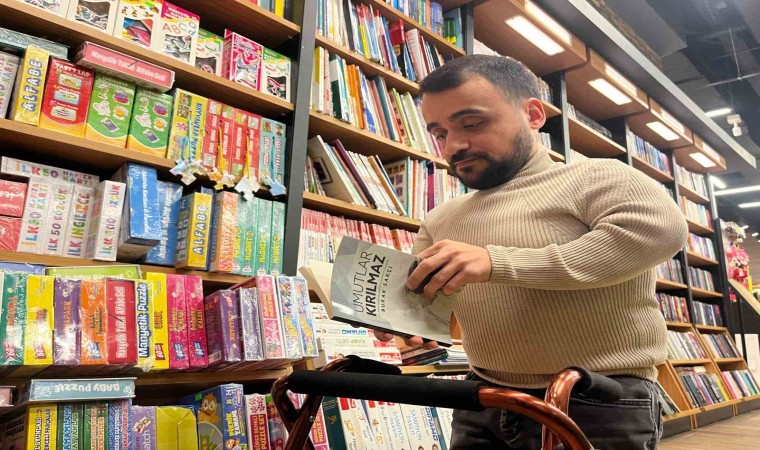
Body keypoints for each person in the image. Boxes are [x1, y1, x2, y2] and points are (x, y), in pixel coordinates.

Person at [375, 54, 689, 449]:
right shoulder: (441, 218)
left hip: (596, 398)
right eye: (439, 133)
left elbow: (658, 234)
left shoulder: (598, 176)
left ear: (533, 115)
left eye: (472, 124)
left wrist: (497, 262)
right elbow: (428, 301)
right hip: (482, 397)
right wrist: (403, 321)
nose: (454, 145)